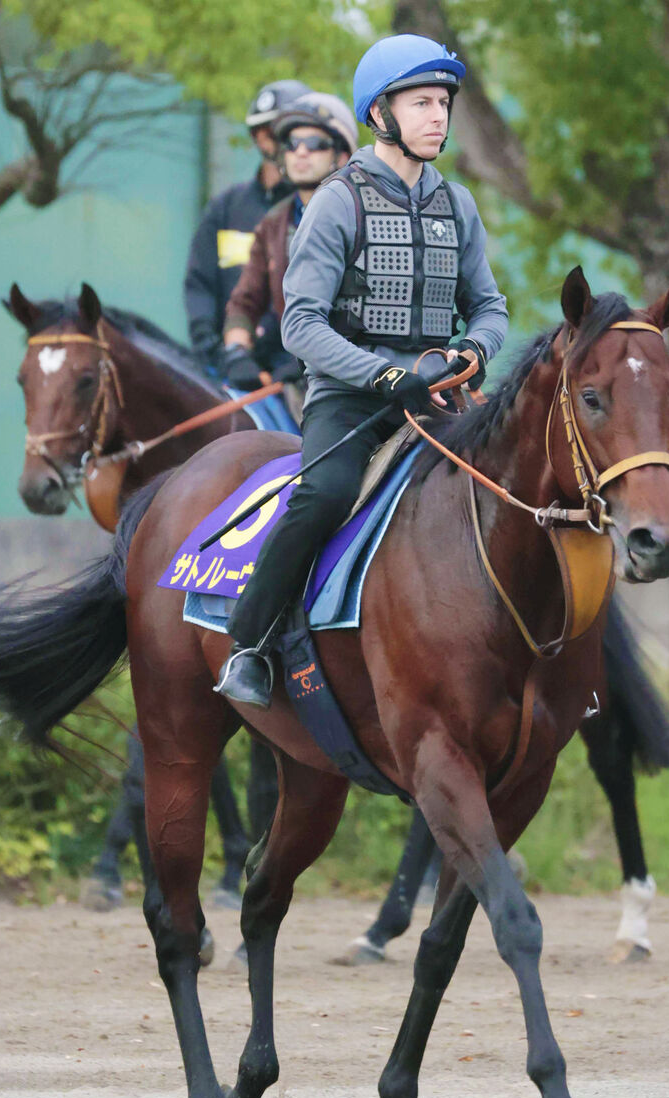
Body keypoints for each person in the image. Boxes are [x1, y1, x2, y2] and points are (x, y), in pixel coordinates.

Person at [215, 34, 509, 708]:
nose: (437, 116)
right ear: (380, 113)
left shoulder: (457, 205)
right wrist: (380, 376)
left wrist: (477, 351)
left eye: (443, 102)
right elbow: (299, 326)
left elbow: (488, 306)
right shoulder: (336, 202)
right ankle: (251, 644)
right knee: (323, 495)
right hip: (350, 402)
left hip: (438, 400)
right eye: (421, 102)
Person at [220, 92, 358, 399]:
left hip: (354, 377)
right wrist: (237, 353)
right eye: (292, 144)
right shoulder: (273, 223)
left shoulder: (364, 216)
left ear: (342, 154)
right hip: (288, 373)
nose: (301, 153)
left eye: (316, 144)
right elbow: (244, 302)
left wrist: (315, 356)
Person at [184, 79, 309, 374]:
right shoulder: (225, 207)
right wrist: (219, 352)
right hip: (228, 367)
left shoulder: (322, 208)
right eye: (271, 130)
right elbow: (199, 285)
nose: (282, 140)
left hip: (295, 370)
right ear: (258, 137)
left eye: (293, 130)